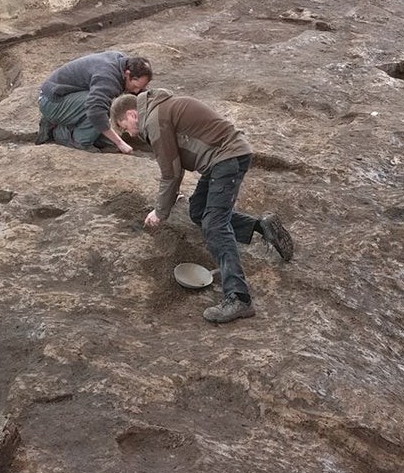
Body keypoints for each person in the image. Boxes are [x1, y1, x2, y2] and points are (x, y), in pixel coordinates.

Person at [111, 90, 295, 324]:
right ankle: (261, 226)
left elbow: (171, 173)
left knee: (214, 225)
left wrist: (160, 211)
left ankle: (239, 298)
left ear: (131, 114)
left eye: (124, 126)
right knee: (198, 211)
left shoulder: (155, 120)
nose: (128, 133)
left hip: (226, 159)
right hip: (224, 157)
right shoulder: (160, 109)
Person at [36, 50, 150, 153]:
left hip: (68, 95)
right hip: (52, 101)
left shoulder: (123, 64)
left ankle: (80, 126)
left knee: (102, 105)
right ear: (128, 74)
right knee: (98, 106)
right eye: (135, 86)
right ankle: (67, 136)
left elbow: (138, 95)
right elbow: (96, 110)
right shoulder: (108, 77)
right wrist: (120, 143)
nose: (136, 91)